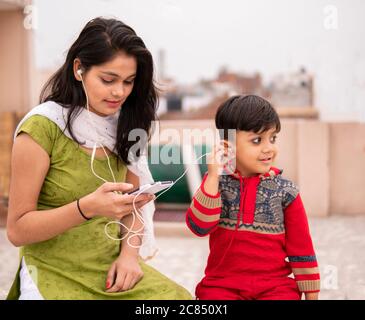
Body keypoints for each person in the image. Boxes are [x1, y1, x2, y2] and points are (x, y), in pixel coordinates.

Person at [6, 17, 192, 300]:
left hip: (111, 269)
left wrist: (129, 256)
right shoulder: (42, 128)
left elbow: (136, 204)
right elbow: (18, 230)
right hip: (51, 270)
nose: (119, 92)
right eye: (108, 80)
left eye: (129, 82)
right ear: (79, 69)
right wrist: (86, 208)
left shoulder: (129, 124)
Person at [186, 95, 320, 300]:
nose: (268, 148)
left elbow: (302, 248)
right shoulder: (216, 184)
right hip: (222, 286)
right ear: (227, 145)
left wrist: (311, 295)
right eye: (257, 140)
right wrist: (213, 175)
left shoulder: (286, 192)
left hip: (275, 287)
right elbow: (199, 227)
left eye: (272, 138)